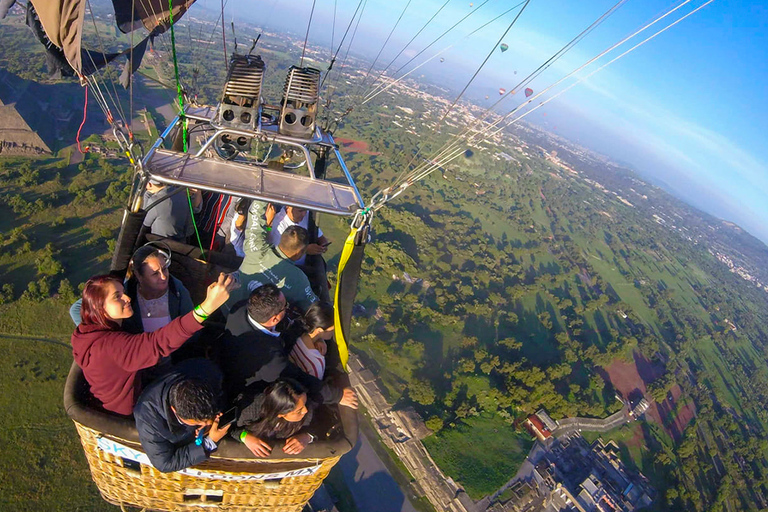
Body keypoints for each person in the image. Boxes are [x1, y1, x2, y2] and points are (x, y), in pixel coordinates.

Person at [71, 272, 237, 416]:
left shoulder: (87, 331)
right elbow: (159, 342)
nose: (127, 298)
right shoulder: (112, 346)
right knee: (201, 369)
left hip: (118, 399)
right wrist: (208, 307)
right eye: (117, 296)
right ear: (99, 308)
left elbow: (78, 307)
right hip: (132, 409)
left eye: (123, 292)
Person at [219, 284, 356, 409]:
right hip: (245, 391)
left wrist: (316, 336)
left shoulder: (240, 309)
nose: (288, 308)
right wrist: (338, 396)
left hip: (226, 358)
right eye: (285, 307)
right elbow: (300, 378)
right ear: (274, 319)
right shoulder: (270, 358)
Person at [69, 243, 193, 333]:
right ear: (139, 276)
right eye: (155, 273)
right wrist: (102, 333)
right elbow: (76, 309)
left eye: (164, 269)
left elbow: (191, 323)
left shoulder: (176, 290)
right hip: (137, 357)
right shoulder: (126, 292)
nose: (164, 276)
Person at [134, 359, 230, 473]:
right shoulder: (147, 419)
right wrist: (208, 443)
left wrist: (212, 418)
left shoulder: (205, 371)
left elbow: (223, 392)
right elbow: (164, 463)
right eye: (197, 422)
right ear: (174, 410)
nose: (206, 424)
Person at [230, 199, 318, 310]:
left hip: (228, 306)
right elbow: (314, 305)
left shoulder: (257, 248)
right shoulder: (299, 280)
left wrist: (266, 192)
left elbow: (255, 214)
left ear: (282, 239)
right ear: (300, 253)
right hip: (254, 321)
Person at [231, 379, 321, 457]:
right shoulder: (249, 410)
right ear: (280, 413)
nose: (305, 411)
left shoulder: (305, 406)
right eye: (298, 411)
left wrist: (307, 437)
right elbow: (228, 428)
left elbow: (318, 424)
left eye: (304, 404)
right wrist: (245, 437)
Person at [289, 302, 335, 380]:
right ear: (319, 330)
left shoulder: (293, 328)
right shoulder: (316, 363)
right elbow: (314, 387)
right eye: (333, 329)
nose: (334, 332)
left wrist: (319, 338)